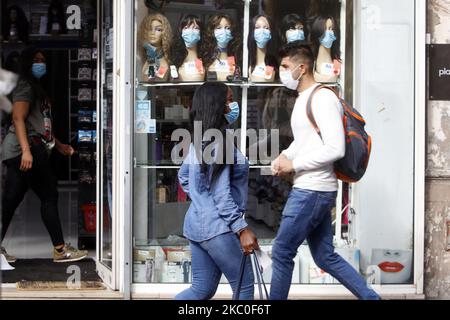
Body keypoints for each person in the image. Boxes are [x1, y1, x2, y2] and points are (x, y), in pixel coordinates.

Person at [270, 42, 380, 300]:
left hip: (313, 190)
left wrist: (294, 165)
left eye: (286, 67)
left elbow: (335, 148)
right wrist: (287, 155)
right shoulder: (304, 99)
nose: (282, 73)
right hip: (313, 189)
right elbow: (307, 140)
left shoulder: (323, 98)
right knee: (324, 256)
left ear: (302, 67)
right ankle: (371, 298)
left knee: (282, 251)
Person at [1, 47, 88, 263]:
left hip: (25, 149)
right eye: (36, 60)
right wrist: (27, 151)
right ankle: (60, 250)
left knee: (11, 201)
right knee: (49, 194)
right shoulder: (25, 86)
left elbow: (40, 125)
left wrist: (59, 145)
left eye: (43, 60)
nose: (41, 63)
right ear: (28, 63)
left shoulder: (35, 87)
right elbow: (18, 119)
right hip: (26, 150)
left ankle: (58, 249)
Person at [175, 82, 259, 300]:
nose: (233, 105)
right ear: (217, 105)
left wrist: (201, 198)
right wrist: (242, 229)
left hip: (196, 226)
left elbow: (183, 176)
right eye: (229, 100)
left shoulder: (201, 138)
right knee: (244, 288)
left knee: (201, 289)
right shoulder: (221, 142)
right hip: (219, 229)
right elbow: (221, 195)